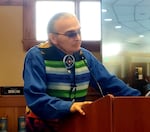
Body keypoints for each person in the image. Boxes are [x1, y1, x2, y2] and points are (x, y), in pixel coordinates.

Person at [23, 12, 141, 132]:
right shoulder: (37, 56)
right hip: (42, 126)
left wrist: (141, 98)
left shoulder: (86, 56)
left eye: (79, 32)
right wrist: (69, 107)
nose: (78, 37)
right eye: (71, 34)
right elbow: (35, 98)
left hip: (76, 124)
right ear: (53, 38)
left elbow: (110, 83)